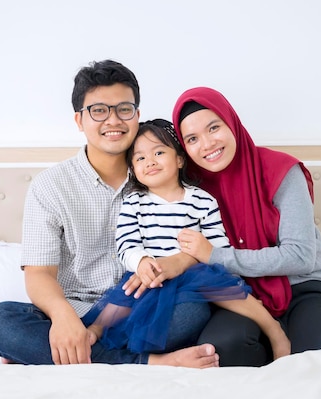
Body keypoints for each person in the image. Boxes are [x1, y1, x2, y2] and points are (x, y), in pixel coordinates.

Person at [0, 60, 219, 369]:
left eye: (124, 109)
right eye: (98, 111)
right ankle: (150, 362)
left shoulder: (161, 175)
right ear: (79, 120)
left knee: (194, 311)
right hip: (76, 311)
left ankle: (54, 355)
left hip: (142, 309)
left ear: (136, 115)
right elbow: (38, 274)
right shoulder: (50, 186)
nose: (113, 120)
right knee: (0, 321)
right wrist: (63, 318)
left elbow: (205, 246)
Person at [170, 86, 321, 366]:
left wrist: (215, 256)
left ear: (231, 122)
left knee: (319, 350)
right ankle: (283, 340)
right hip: (241, 293)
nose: (207, 144)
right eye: (192, 138)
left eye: (213, 128)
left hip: (301, 287)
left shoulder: (280, 171)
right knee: (222, 349)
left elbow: (300, 256)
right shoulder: (191, 189)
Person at [85, 119, 291, 360]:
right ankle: (95, 330)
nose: (150, 161)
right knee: (127, 291)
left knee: (219, 285)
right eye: (140, 158)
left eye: (159, 152)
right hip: (151, 275)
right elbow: (126, 244)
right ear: (133, 168)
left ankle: (272, 329)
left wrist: (201, 263)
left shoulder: (202, 201)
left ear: (180, 159)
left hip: (194, 275)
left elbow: (218, 248)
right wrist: (141, 262)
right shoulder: (134, 202)